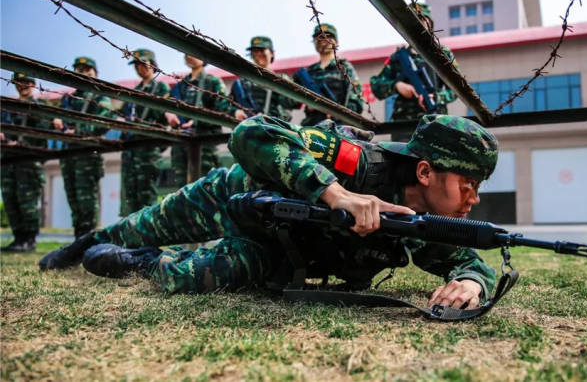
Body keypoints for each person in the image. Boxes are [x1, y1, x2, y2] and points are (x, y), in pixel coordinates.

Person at [39, 114, 498, 310]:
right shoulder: (353, 160)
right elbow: (253, 134)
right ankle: (85, 243)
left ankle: (129, 261)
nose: (472, 199)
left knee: (193, 277)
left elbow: (467, 260)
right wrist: (338, 195)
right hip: (233, 197)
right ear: (423, 172)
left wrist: (471, 282)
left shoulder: (422, 226)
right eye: (468, 185)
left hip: (275, 250)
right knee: (138, 226)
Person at [370, 3, 457, 140]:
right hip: (404, 125)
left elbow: (457, 88)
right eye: (413, 19)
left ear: (430, 23)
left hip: (436, 122)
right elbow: (376, 85)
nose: (419, 23)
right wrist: (397, 86)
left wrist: (437, 97)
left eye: (422, 19)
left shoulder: (442, 53)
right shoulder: (399, 56)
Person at [51, 57, 113, 240]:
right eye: (79, 69)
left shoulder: (100, 96)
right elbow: (59, 119)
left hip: (88, 153)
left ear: (95, 72)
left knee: (87, 199)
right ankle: (78, 237)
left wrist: (75, 130)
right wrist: (58, 123)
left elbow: (103, 123)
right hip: (70, 153)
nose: (83, 72)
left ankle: (88, 239)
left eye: (87, 69)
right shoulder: (68, 98)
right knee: (73, 197)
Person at [165, 54, 246, 187]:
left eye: (194, 53)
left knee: (204, 188)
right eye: (187, 53)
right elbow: (168, 106)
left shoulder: (212, 82)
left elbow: (222, 108)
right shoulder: (180, 85)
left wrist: (197, 121)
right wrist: (169, 115)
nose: (190, 56)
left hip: (204, 144)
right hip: (180, 144)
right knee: (180, 189)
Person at [119, 49, 172, 216]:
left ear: (153, 65)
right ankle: (131, 238)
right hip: (131, 149)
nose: (140, 68)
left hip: (148, 148)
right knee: (130, 195)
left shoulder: (160, 87)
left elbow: (163, 114)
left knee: (147, 194)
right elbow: (123, 113)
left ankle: (148, 238)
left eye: (143, 64)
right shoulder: (134, 91)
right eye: (136, 65)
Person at [0, 73, 47, 252]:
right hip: (8, 161)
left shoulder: (40, 107)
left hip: (29, 161)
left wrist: (20, 142)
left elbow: (43, 133)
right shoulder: (7, 108)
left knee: (27, 202)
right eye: (18, 83)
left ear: (33, 84)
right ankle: (18, 239)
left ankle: (30, 240)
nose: (22, 86)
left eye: (26, 82)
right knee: (11, 200)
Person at [293, 23, 363, 126]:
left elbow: (356, 101)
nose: (323, 41)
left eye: (327, 37)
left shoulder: (344, 67)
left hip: (339, 125)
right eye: (319, 38)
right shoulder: (309, 72)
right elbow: (292, 101)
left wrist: (338, 112)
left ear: (336, 42)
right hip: (312, 125)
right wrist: (309, 103)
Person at [229, 36, 297, 121]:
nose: (258, 54)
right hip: (248, 129)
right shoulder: (240, 84)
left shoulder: (281, 79)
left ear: (272, 53)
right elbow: (226, 105)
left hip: (276, 128)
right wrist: (235, 112)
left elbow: (290, 105)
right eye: (255, 51)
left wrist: (268, 117)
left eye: (262, 50)